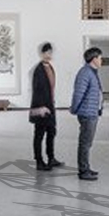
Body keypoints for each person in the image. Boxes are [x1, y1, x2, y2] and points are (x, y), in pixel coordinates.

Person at [28, 42, 64, 171]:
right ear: (41, 54)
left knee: (51, 132)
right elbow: (36, 90)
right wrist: (41, 107)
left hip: (50, 105)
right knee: (39, 134)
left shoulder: (50, 67)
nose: (48, 55)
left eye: (50, 52)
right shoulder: (38, 70)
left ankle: (51, 158)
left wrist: (51, 104)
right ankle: (39, 161)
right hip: (41, 108)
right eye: (46, 52)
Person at [70, 47, 104, 181]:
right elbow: (78, 93)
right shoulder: (85, 73)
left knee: (87, 143)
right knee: (85, 143)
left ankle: (86, 167)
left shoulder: (92, 72)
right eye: (100, 58)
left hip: (92, 112)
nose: (101, 60)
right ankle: (83, 171)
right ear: (94, 59)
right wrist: (74, 109)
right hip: (87, 113)